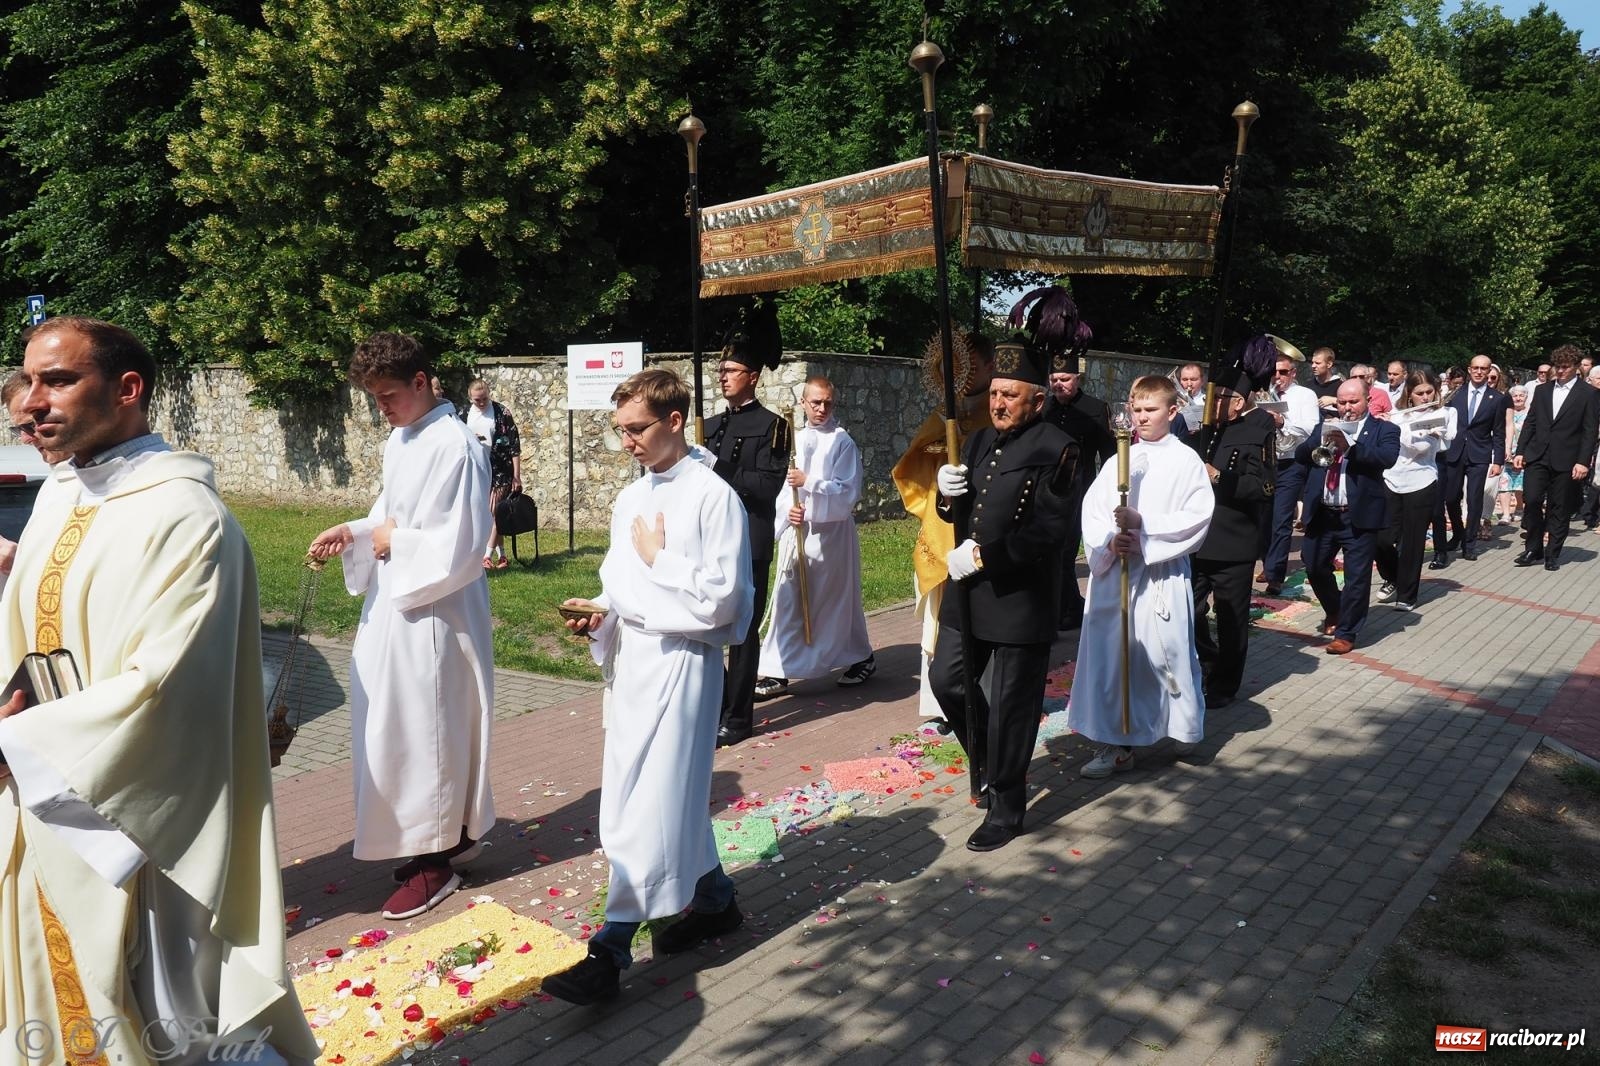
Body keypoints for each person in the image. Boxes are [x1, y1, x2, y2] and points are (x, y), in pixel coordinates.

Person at [0, 316, 318, 1064]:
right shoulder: (62, 495)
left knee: (171, 1023)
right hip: (42, 800)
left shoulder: (186, 516)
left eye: (58, 381)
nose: (30, 403)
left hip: (137, 826)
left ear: (127, 389)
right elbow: (38, 642)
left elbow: (168, 687)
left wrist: (17, 742)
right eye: (28, 382)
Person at [544, 368, 752, 1004]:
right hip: (635, 663)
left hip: (683, 664)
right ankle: (715, 899)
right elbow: (619, 582)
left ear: (675, 420)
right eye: (621, 430)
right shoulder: (632, 497)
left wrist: (662, 559)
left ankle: (608, 951)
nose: (628, 441)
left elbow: (727, 600)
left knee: (651, 805)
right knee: (660, 797)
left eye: (637, 429)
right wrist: (599, 611)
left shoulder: (714, 497)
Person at [309, 332, 494, 921]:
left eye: (388, 396)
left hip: (436, 613)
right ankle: (438, 838)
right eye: (374, 398)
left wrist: (395, 541)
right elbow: (390, 515)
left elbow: (462, 545)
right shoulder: (404, 438)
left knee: (427, 732)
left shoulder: (456, 446)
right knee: (395, 728)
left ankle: (434, 860)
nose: (381, 408)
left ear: (420, 382)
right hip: (397, 607)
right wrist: (355, 531)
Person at [930, 287, 1082, 852]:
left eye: (1009, 395)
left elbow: (1050, 531)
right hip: (969, 592)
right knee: (946, 681)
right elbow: (960, 512)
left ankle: (1007, 807)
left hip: (1020, 596)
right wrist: (945, 495)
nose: (997, 403)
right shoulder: (974, 443)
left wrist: (982, 556)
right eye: (994, 392)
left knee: (1014, 705)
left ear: (1036, 400)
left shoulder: (1060, 448)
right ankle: (991, 762)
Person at [1068, 374, 1213, 776]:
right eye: (1137, 409)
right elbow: (1093, 511)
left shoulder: (1186, 461)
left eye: (1151, 410)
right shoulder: (1119, 459)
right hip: (1116, 576)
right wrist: (1111, 542)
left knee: (1167, 654)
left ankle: (1181, 726)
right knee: (1113, 660)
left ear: (1173, 410)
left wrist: (1143, 528)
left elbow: (1197, 517)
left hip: (1159, 575)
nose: (1142, 417)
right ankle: (1117, 743)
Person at [893, 332, 995, 718]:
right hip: (943, 523)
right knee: (940, 616)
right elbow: (912, 466)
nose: (963, 376)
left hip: (981, 527)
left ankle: (980, 698)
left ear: (989, 366)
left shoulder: (997, 412)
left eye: (971, 366)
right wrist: (938, 466)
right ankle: (941, 703)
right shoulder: (942, 414)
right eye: (956, 368)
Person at [754, 376, 875, 697]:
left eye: (827, 403)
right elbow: (781, 489)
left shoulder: (842, 442)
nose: (821, 409)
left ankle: (860, 656)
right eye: (815, 402)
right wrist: (788, 513)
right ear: (803, 403)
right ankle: (777, 670)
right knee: (787, 598)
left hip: (830, 535)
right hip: (798, 533)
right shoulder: (792, 440)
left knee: (836, 602)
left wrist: (809, 483)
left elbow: (847, 492)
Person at [705, 302, 788, 745]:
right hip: (710, 540)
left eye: (731, 370)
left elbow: (767, 486)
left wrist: (716, 466)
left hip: (750, 539)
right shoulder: (709, 426)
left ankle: (737, 718)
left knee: (742, 630)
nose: (723, 376)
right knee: (705, 623)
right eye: (720, 370)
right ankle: (716, 702)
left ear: (753, 376)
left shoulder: (775, 426)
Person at [1185, 337, 1276, 709]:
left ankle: (1226, 684)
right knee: (1187, 610)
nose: (1212, 404)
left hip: (1234, 541)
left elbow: (1265, 487)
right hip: (1198, 538)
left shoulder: (1259, 429)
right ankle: (1208, 660)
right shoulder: (1205, 429)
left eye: (1219, 398)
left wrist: (1220, 477)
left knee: (1231, 618)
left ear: (1237, 401)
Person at [1295, 379, 1402, 654]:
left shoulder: (1385, 429)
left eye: (1353, 401)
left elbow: (1386, 458)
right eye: (1342, 402)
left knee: (1357, 576)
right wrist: (1319, 440)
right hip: (1324, 512)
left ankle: (1347, 632)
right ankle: (1335, 609)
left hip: (1358, 515)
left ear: (1368, 400)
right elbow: (1300, 455)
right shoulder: (1324, 426)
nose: (1347, 407)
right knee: (1314, 565)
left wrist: (1351, 447)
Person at [1041, 358, 1115, 630]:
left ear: (1077, 379)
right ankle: (1066, 606)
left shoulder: (1095, 409)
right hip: (1044, 491)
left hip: (1079, 490)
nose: (1058, 384)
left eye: (1065, 379)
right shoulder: (1044, 407)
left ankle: (1066, 611)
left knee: (1065, 552)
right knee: (1048, 552)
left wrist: (1107, 493)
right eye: (1054, 379)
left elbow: (1109, 455)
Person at [1512, 344, 1598, 571]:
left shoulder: (1588, 393)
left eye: (1565, 367)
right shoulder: (1542, 390)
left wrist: (1583, 461)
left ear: (1576, 367)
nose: (1560, 371)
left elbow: (1589, 430)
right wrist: (1520, 451)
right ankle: (1533, 548)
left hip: (1567, 458)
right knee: (1531, 500)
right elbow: (1530, 422)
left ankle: (1552, 553)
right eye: (1557, 366)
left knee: (1559, 507)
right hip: (1538, 454)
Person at [1376, 370, 1454, 612]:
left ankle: (1407, 595)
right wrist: (1382, 424)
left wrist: (1394, 429)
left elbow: (1421, 447)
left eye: (1429, 392)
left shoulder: (1440, 414)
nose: (1425, 397)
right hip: (1391, 478)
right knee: (1381, 538)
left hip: (1422, 482)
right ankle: (1393, 577)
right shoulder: (1397, 414)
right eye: (1420, 393)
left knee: (1412, 542)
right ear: (1409, 394)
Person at [1432, 353, 1504, 568]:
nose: (1479, 372)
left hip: (1479, 454)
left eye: (1484, 368)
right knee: (1451, 497)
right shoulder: (1456, 394)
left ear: (1489, 371)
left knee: (1474, 499)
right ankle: (1458, 533)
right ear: (1470, 369)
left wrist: (1498, 460)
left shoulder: (1497, 398)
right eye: (1476, 368)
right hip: (1454, 453)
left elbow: (1499, 432)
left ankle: (1469, 543)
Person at [1258, 352, 1319, 595]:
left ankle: (1275, 575)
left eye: (1283, 372)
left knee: (1281, 520)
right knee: (1263, 519)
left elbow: (1312, 428)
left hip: (1291, 461)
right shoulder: (1261, 393)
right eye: (1274, 372)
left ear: (1293, 373)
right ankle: (1268, 563)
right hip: (1265, 462)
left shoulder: (1305, 395)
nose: (1277, 376)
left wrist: (1283, 422)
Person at [460, 379, 523, 569]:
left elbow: (514, 446)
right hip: (476, 469)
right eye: (477, 400)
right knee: (489, 513)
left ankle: (486, 556)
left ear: (489, 395)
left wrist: (516, 475)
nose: (481, 403)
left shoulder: (502, 412)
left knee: (494, 512)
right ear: (470, 398)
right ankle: (502, 555)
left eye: (484, 399)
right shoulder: (464, 414)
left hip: (501, 469)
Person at [1498, 384, 1529, 525]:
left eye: (1521, 395)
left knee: (1519, 484)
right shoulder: (1505, 412)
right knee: (1504, 483)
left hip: (1522, 453)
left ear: (1526, 397)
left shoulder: (1530, 413)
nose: (1518, 398)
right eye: (1515, 396)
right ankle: (1505, 514)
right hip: (1506, 451)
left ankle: (1519, 508)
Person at [1309, 346, 1342, 417]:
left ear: (1329, 364)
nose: (1313, 366)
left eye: (1318, 363)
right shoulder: (1308, 386)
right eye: (1312, 362)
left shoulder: (1341, 386)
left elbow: (1351, 405)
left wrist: (1334, 400)